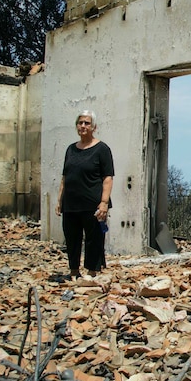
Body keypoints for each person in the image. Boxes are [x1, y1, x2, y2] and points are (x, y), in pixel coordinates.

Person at [55, 110, 114, 278]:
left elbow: (108, 178)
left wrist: (104, 202)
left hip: (93, 203)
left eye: (87, 123)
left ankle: (92, 271)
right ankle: (74, 270)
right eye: (80, 123)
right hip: (71, 203)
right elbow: (65, 177)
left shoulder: (102, 149)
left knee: (94, 238)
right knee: (72, 238)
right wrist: (60, 200)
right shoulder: (71, 149)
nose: (83, 126)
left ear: (94, 127)